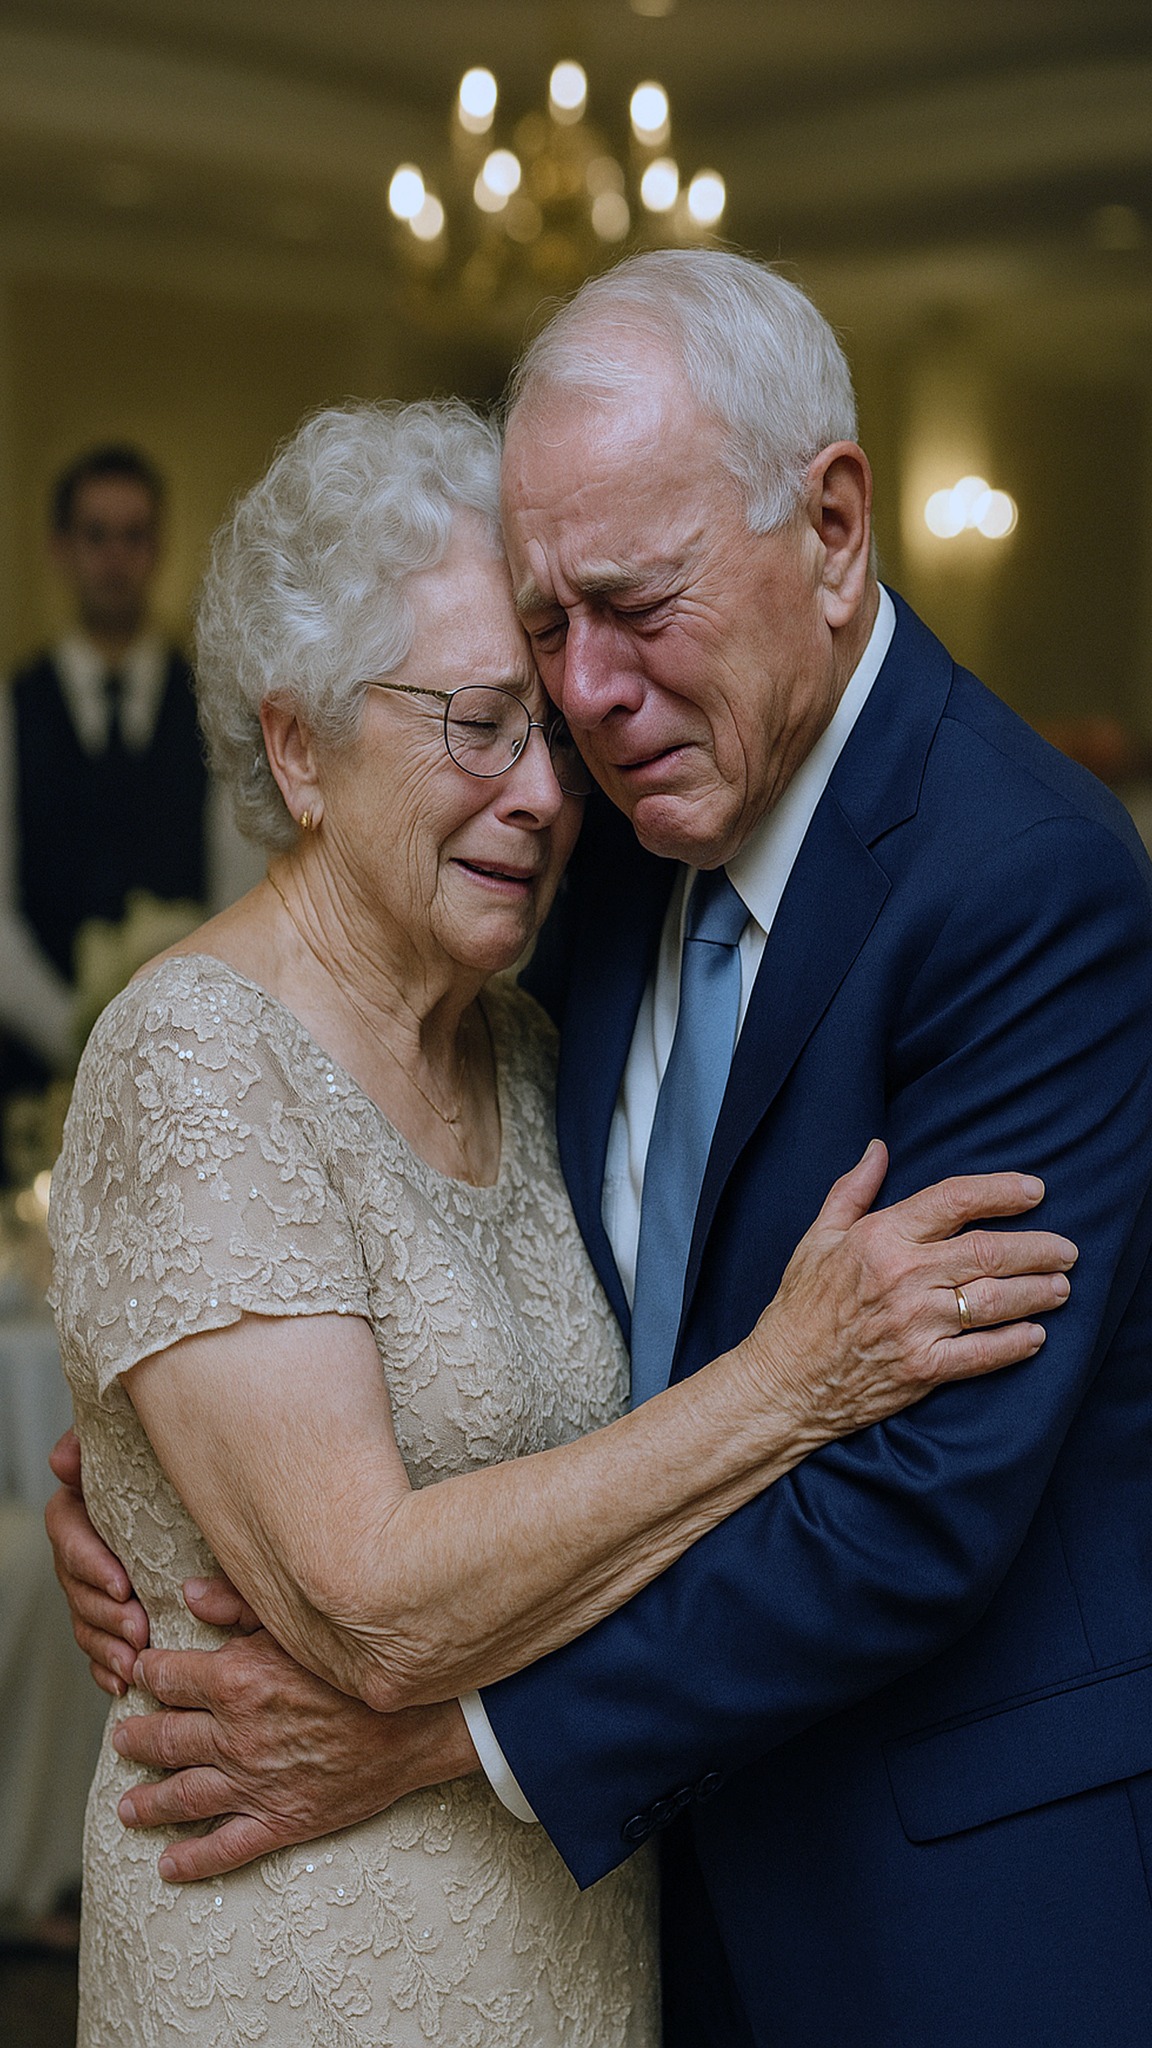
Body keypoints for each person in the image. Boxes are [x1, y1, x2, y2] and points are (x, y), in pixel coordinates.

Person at [50, 252, 1148, 2045]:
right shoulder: (604, 855)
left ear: (835, 525)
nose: (582, 708)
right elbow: (320, 1210)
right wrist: (150, 1456)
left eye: (631, 608)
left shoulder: (1026, 879)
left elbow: (912, 1509)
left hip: (928, 1906)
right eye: (539, 645)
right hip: (582, 1911)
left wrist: (435, 1735)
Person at [0, 445, 260, 1104]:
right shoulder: (12, 710)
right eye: (95, 536)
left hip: (182, 1072)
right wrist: (72, 1031)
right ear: (61, 548)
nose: (115, 558)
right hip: (35, 1077)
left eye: (134, 536)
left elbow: (236, 897)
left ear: (158, 548)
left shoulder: (211, 706)